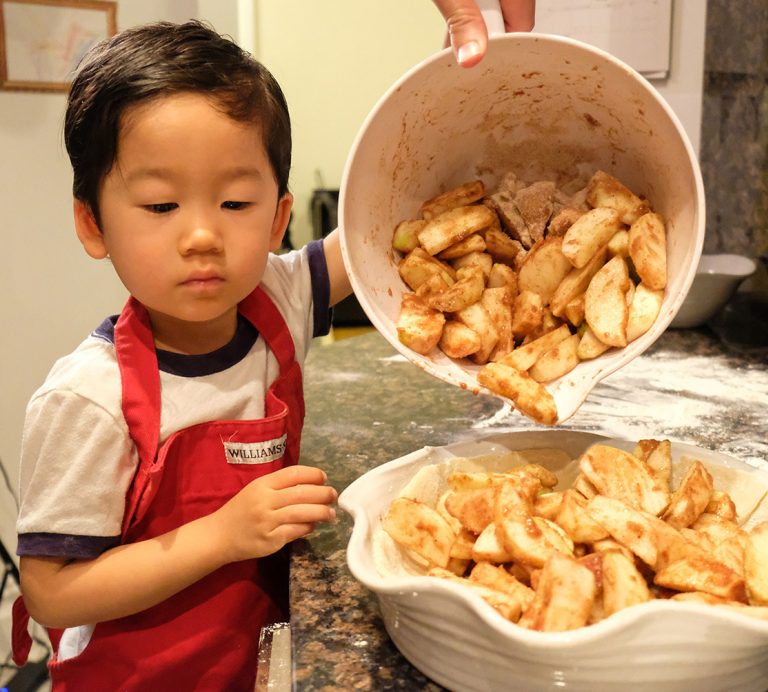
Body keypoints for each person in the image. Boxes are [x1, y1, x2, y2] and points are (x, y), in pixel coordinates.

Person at [11, 2, 534, 689]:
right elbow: (52, 592)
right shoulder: (91, 398)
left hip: (255, 658)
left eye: (235, 204)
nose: (202, 235)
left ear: (279, 217)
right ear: (93, 223)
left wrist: (448, 85)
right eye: (161, 206)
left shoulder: (280, 301)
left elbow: (391, 211)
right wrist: (223, 535)